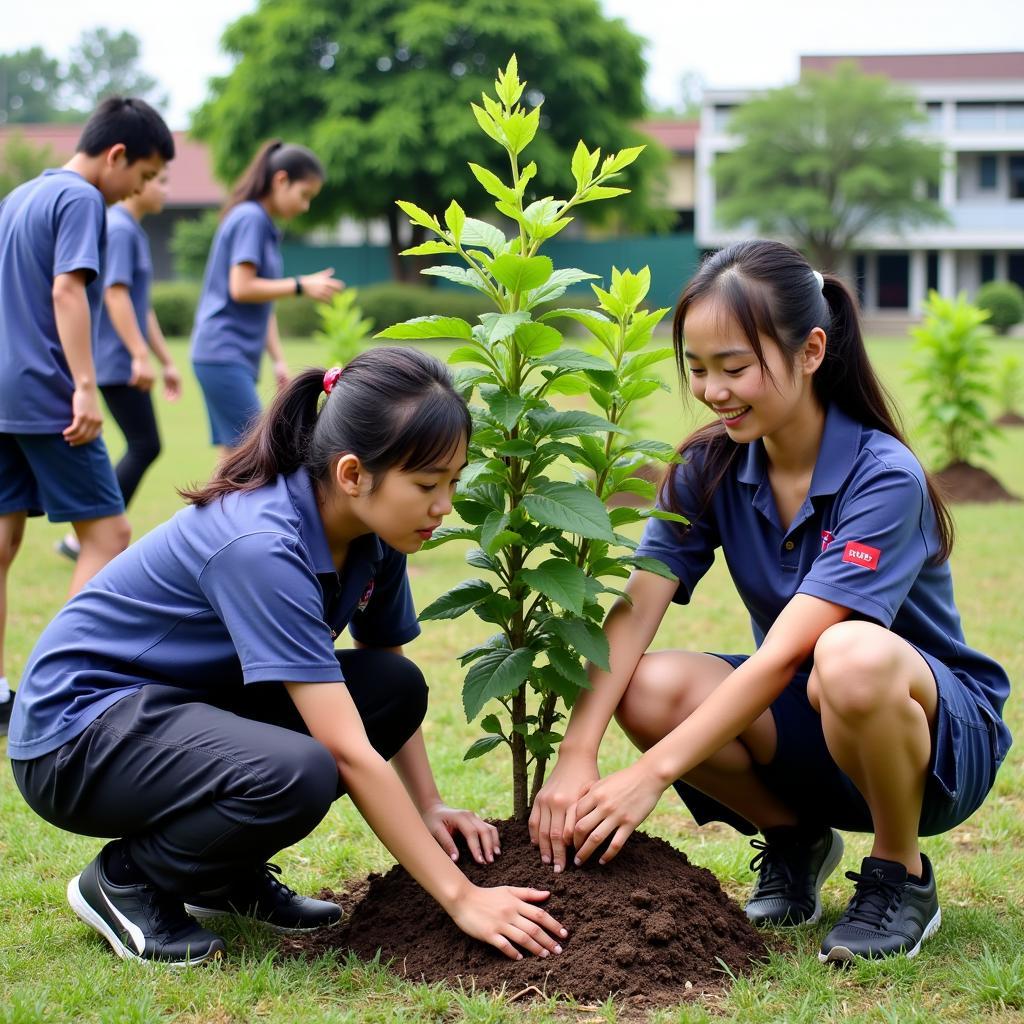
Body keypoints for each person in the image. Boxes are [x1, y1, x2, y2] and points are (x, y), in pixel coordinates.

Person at [530, 240, 1011, 964]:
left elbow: (791, 650)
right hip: (808, 716)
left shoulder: (884, 476)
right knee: (648, 687)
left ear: (812, 350)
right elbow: (635, 610)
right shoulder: (709, 463)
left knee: (846, 655)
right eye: (697, 369)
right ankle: (794, 840)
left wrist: (650, 773)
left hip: (934, 740)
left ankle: (899, 873)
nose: (713, 390)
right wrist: (577, 750)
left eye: (735, 367)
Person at [8, 348, 568, 966]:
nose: (446, 506)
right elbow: (348, 752)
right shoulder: (262, 546)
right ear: (353, 474)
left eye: (455, 481)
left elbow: (380, 667)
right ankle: (128, 880)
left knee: (392, 686)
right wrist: (461, 897)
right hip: (77, 732)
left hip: (176, 707)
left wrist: (429, 803)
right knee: (298, 769)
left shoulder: (373, 535)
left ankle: (222, 875)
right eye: (429, 484)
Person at [0, 97, 174, 737]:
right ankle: (54, 684)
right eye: (144, 173)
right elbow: (67, 290)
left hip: (3, 393)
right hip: (48, 393)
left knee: (2, 543)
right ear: (117, 154)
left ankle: (2, 693)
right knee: (107, 534)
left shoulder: (19, 196)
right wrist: (83, 387)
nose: (139, 188)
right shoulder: (80, 200)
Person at [57, 168, 182, 562]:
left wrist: (165, 359)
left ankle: (87, 535)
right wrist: (139, 356)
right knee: (145, 444)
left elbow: (140, 307)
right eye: (159, 179)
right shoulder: (122, 228)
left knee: (143, 444)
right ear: (139, 182)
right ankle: (86, 537)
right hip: (116, 363)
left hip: (121, 360)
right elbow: (115, 295)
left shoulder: (130, 230)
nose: (165, 188)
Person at [191, 140, 342, 453]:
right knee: (259, 451)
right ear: (281, 180)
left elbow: (262, 299)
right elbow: (242, 287)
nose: (305, 207)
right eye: (304, 195)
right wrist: (301, 285)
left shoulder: (260, 222)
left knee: (233, 457)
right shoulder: (251, 218)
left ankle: (219, 504)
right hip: (222, 352)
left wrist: (278, 359)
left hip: (223, 355)